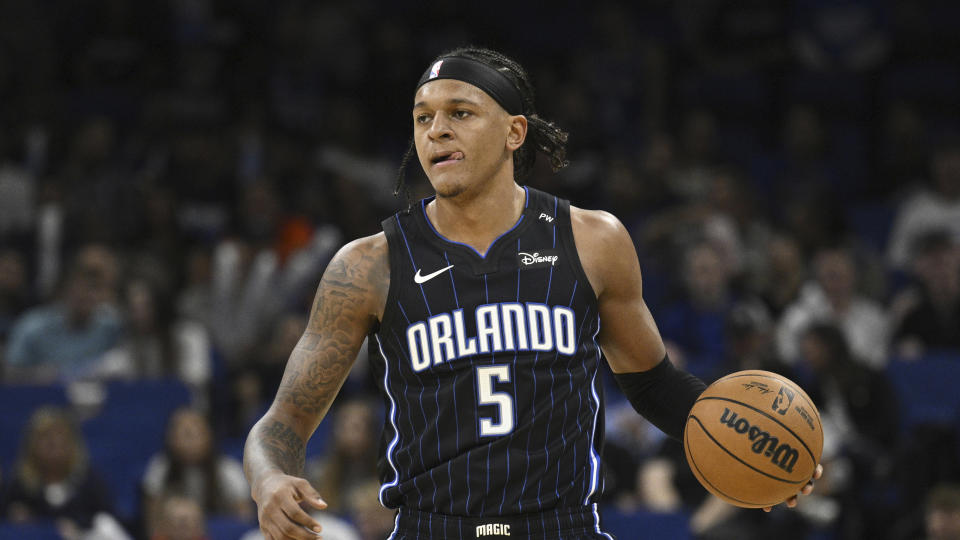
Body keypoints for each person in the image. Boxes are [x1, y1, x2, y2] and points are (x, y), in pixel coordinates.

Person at [243, 46, 821, 539]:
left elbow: (652, 384)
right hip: (432, 527)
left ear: (515, 132)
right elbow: (282, 424)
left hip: (562, 526)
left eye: (460, 113)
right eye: (422, 118)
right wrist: (268, 477)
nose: (436, 130)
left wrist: (756, 445)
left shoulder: (594, 240)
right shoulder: (367, 264)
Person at [0, 406, 128, 538]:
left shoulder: (89, 481)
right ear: (31, 445)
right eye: (45, 437)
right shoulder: (18, 484)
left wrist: (79, 527)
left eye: (59, 436)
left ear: (72, 444)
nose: (53, 443)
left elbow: (109, 520)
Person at [142, 407, 253, 530]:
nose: (191, 441)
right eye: (186, 434)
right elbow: (153, 524)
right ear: (171, 439)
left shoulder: (228, 470)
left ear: (209, 436)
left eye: (196, 433)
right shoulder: (160, 469)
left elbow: (243, 521)